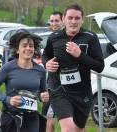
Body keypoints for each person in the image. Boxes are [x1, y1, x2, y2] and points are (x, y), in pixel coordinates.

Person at [42, 4, 104, 132]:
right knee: (68, 129)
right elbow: (45, 55)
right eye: (70, 18)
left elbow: (99, 66)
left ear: (82, 20)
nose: (73, 21)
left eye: (77, 18)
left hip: (82, 93)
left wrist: (80, 55)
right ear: (64, 19)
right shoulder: (54, 37)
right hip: (59, 90)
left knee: (78, 129)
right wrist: (47, 63)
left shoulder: (90, 37)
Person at [0, 31, 49, 132]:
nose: (28, 48)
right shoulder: (8, 67)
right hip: (11, 116)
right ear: (17, 50)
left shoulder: (40, 70)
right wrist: (8, 99)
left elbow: (42, 92)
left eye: (31, 46)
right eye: (24, 45)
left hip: (31, 117)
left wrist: (43, 96)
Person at [42, 11, 63, 132]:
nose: (54, 23)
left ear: (62, 21)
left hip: (69, 86)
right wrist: (47, 63)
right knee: (49, 119)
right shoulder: (51, 38)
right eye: (52, 21)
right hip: (52, 84)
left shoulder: (69, 37)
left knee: (76, 121)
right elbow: (45, 56)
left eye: (57, 21)